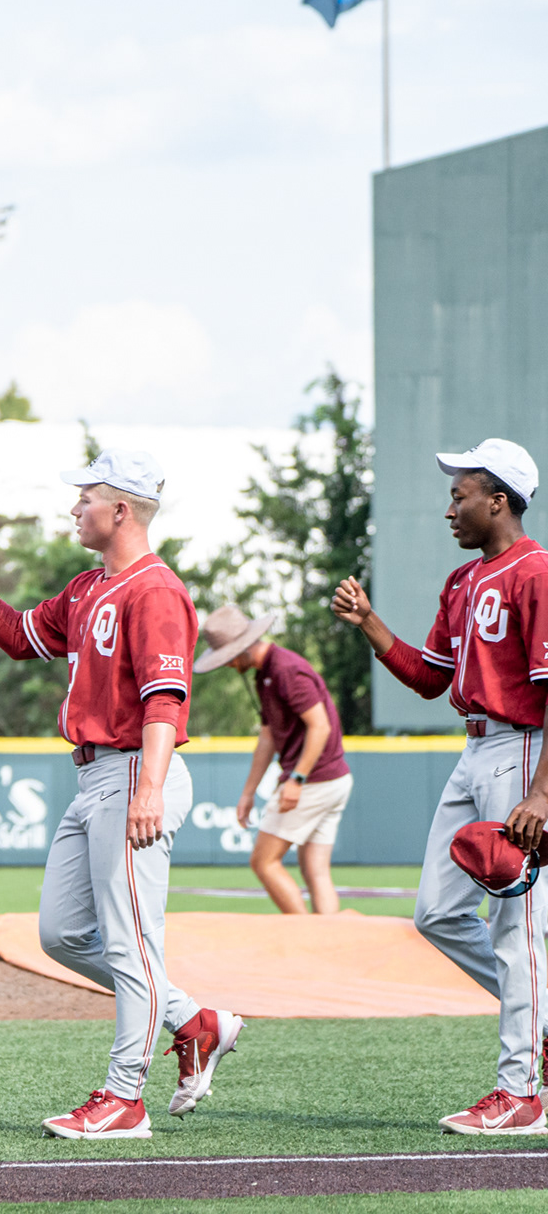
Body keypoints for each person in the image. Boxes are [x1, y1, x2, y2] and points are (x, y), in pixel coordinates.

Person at [0, 449, 243, 1141]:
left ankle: (124, 1098)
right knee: (62, 933)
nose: (74, 508)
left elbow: (166, 696)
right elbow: (17, 636)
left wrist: (152, 788)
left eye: (86, 498)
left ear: (122, 510)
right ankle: (194, 1021)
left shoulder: (156, 589)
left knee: (133, 944)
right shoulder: (86, 588)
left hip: (138, 768)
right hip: (98, 774)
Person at [333, 437, 548, 1136]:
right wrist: (368, 623)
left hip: (523, 750)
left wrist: (542, 795)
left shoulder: (536, 572)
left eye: (461, 495)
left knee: (521, 932)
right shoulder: (462, 584)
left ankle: (520, 1091)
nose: (449, 508)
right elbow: (430, 678)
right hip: (474, 750)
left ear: (499, 500)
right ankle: (540, 1019)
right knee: (437, 913)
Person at [195, 605, 353, 915]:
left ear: (240, 649)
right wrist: (248, 792)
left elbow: (320, 726)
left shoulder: (285, 670)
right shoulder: (265, 674)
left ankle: (305, 938)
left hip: (314, 781)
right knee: (315, 870)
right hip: (333, 779)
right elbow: (268, 738)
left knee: (263, 861)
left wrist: (297, 779)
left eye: (227, 658)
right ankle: (333, 944)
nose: (227, 665)